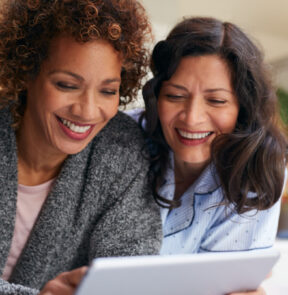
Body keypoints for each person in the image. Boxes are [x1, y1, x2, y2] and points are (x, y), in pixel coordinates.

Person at [0, 0, 162, 294]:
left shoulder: (121, 149)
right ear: (25, 72)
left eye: (107, 91)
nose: (87, 111)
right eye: (66, 85)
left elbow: (130, 270)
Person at [127, 16, 287, 295]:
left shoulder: (260, 167)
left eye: (216, 101)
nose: (192, 118)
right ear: (156, 96)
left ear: (243, 108)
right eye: (175, 96)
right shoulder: (122, 141)